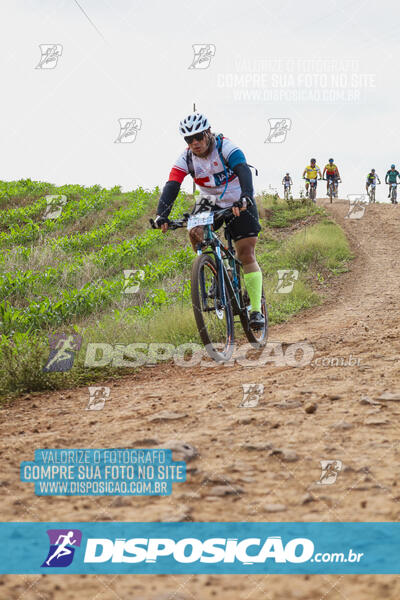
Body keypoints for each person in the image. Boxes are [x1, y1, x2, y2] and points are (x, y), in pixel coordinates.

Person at [154, 112, 264, 330]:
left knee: (245, 253)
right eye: (189, 139)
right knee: (194, 230)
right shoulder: (186, 158)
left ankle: (256, 310)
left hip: (237, 199)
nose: (194, 143)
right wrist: (162, 214)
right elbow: (172, 185)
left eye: (198, 137)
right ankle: (215, 268)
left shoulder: (225, 147)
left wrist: (246, 196)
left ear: (208, 132)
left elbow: (242, 169)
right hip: (209, 200)